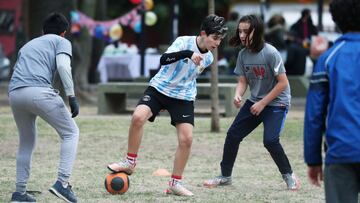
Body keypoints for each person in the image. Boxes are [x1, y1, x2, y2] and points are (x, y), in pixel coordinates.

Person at [107, 14, 228, 196]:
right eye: (215, 38)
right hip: (159, 88)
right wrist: (188, 54)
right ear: (204, 33)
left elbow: (188, 76)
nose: (218, 43)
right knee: (138, 117)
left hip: (183, 96)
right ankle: (130, 162)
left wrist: (172, 104)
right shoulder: (183, 41)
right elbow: (164, 60)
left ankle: (174, 183)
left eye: (220, 39)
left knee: (186, 140)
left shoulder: (209, 58)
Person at [203, 14, 300, 191]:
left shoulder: (270, 53)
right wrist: (238, 95)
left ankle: (289, 175)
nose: (241, 35)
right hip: (256, 101)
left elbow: (283, 83)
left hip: (277, 102)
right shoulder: (243, 54)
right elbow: (242, 81)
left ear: (257, 31)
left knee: (270, 141)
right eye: (239, 31)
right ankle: (225, 177)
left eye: (246, 31)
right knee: (233, 135)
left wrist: (263, 103)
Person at [8, 13, 79, 203]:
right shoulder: (61, 41)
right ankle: (62, 184)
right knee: (71, 133)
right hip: (39, 91)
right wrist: (71, 96)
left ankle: (19, 193)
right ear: (64, 33)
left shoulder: (28, 44)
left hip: (15, 93)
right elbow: (64, 67)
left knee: (26, 142)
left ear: (43, 31)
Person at [304, 0, 360, 202]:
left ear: (336, 19)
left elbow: (314, 115)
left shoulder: (328, 59)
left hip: (341, 152)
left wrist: (313, 159)